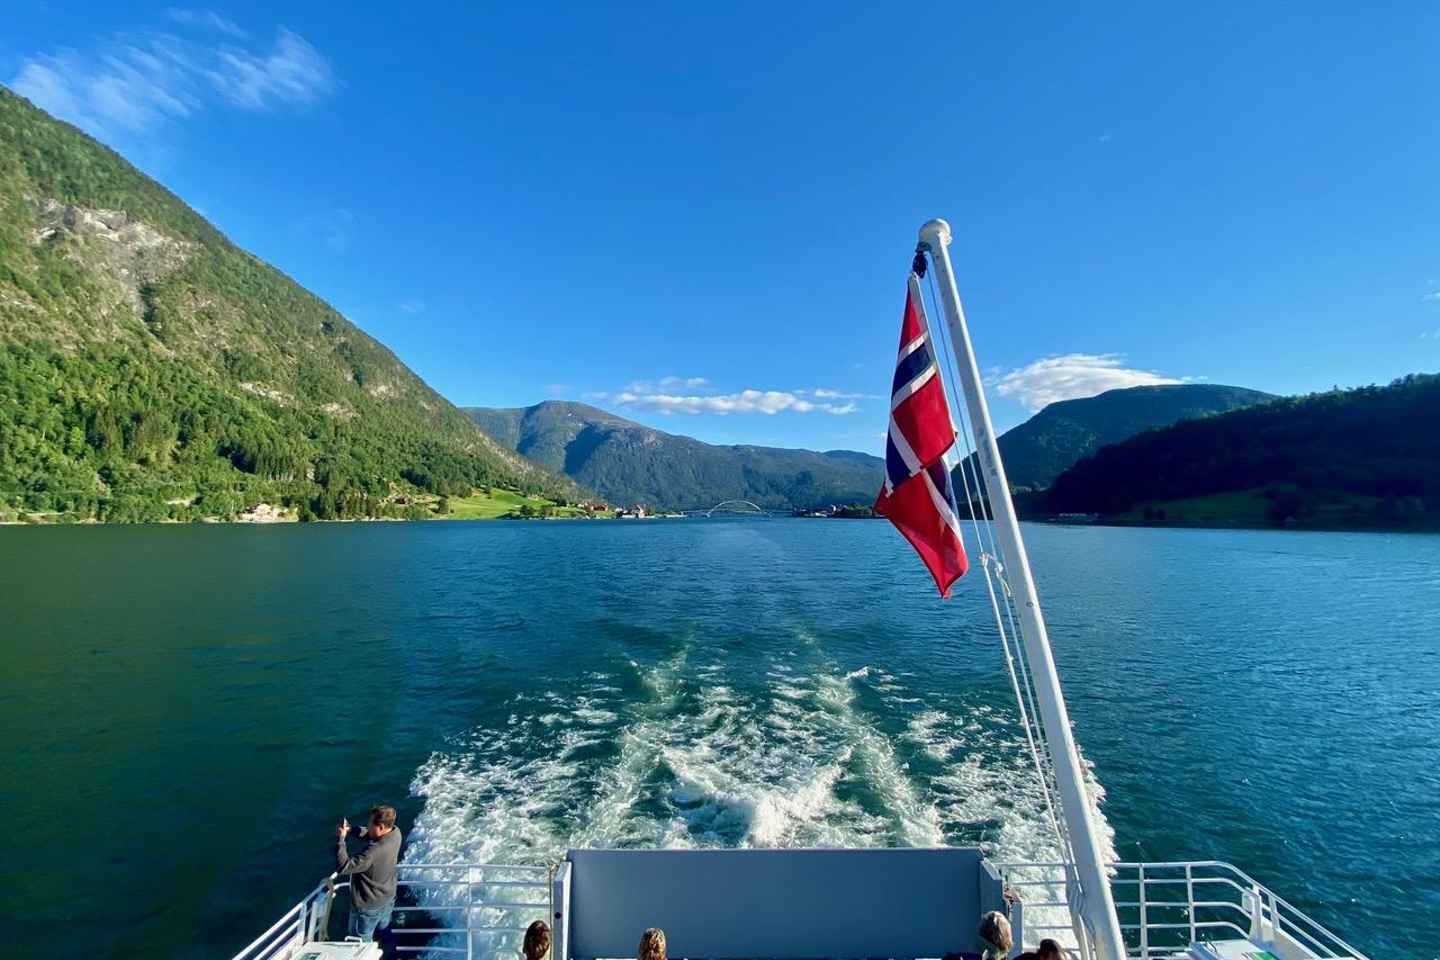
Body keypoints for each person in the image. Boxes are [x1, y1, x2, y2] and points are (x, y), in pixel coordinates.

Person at [336, 805, 403, 958]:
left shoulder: (372, 853)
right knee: (385, 933)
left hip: (368, 908)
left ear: (381, 827)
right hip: (387, 899)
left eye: (370, 824)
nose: (368, 826)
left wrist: (341, 839)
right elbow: (372, 835)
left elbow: (344, 867)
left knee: (360, 945)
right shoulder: (395, 833)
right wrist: (351, 830)